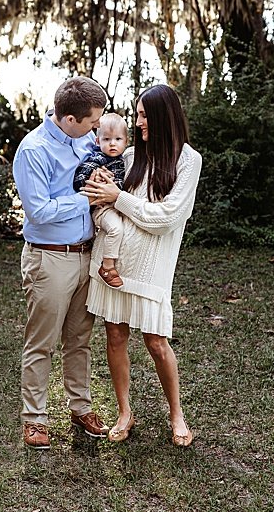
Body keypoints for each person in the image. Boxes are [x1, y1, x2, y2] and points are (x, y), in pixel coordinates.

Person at [83, 84, 203, 447]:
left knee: (156, 342)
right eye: (136, 115)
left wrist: (118, 198)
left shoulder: (188, 161)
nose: (137, 122)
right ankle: (124, 412)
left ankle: (176, 414)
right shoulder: (130, 156)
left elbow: (167, 217)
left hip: (152, 269)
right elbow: (97, 186)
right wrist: (99, 183)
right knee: (115, 336)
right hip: (114, 265)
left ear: (164, 117)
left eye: (144, 115)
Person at [11, 74, 110, 449]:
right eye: (92, 121)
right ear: (70, 119)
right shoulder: (33, 151)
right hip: (49, 260)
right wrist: (86, 198)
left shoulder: (86, 140)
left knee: (80, 339)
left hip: (88, 255)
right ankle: (35, 419)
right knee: (42, 342)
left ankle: (80, 407)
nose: (97, 127)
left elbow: (106, 162)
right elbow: (38, 211)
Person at [72, 112, 133, 291]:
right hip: (101, 209)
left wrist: (115, 187)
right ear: (98, 141)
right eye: (106, 139)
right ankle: (107, 268)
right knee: (116, 229)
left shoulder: (122, 161)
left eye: (117, 139)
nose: (112, 143)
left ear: (126, 141)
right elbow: (79, 180)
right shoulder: (98, 159)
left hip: (113, 206)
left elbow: (121, 187)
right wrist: (94, 180)